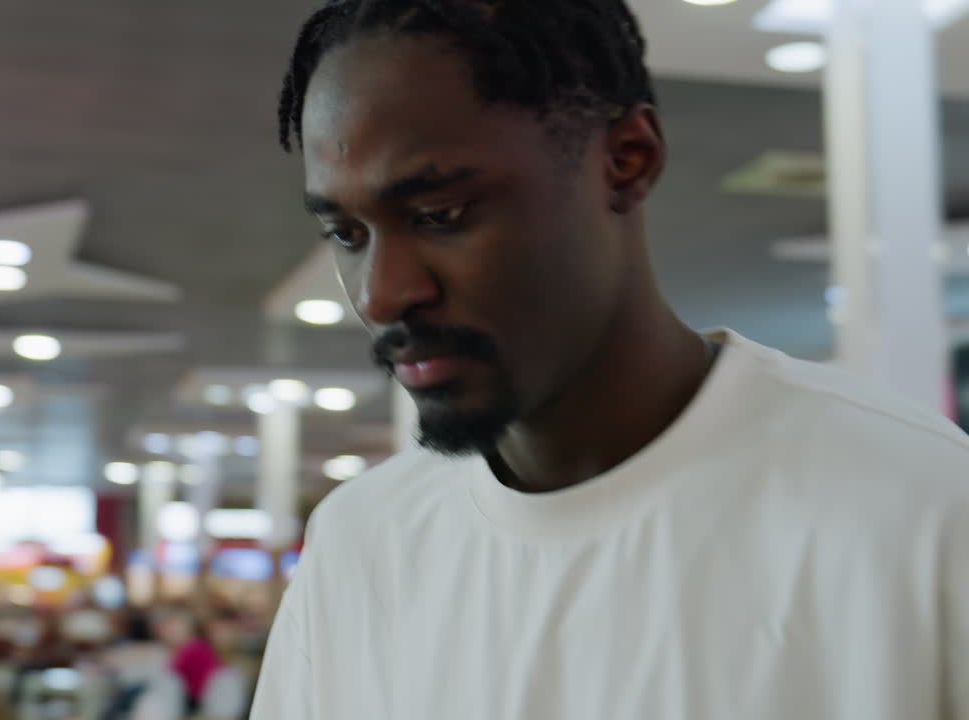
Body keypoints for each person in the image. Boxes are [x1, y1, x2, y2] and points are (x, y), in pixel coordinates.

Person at [251, 1, 969, 718]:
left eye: (440, 215)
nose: (381, 294)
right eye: (345, 234)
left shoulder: (922, 511)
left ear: (627, 160)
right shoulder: (361, 545)